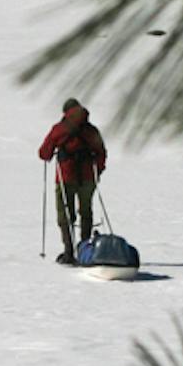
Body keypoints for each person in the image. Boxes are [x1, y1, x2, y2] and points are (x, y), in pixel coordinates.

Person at [38, 97, 106, 263]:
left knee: (65, 213)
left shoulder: (60, 129)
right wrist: (98, 170)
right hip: (88, 177)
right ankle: (85, 248)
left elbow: (44, 153)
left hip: (66, 176)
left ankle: (69, 251)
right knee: (86, 211)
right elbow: (101, 152)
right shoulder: (91, 130)